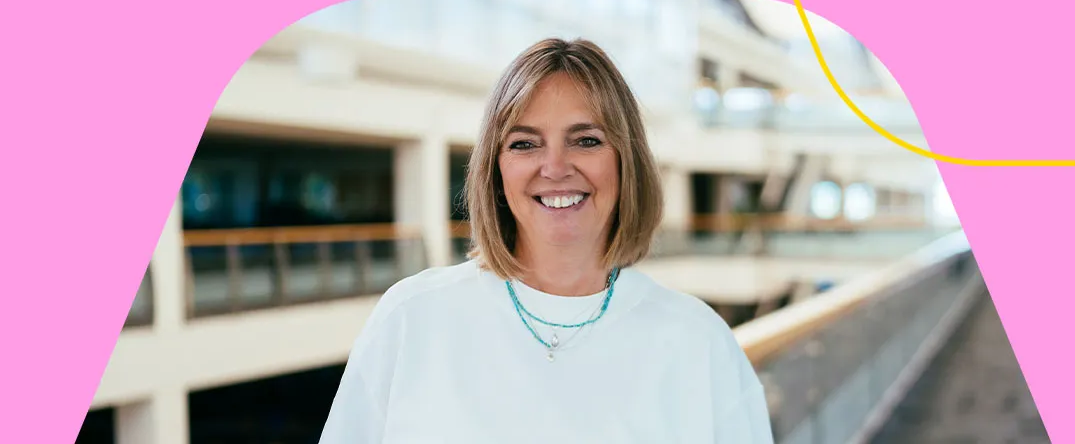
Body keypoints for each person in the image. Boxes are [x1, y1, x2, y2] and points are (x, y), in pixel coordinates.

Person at [318, 38, 774, 443]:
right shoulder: (410, 319)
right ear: (495, 172)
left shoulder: (700, 342)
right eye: (524, 144)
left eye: (586, 141)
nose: (555, 167)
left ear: (626, 162)